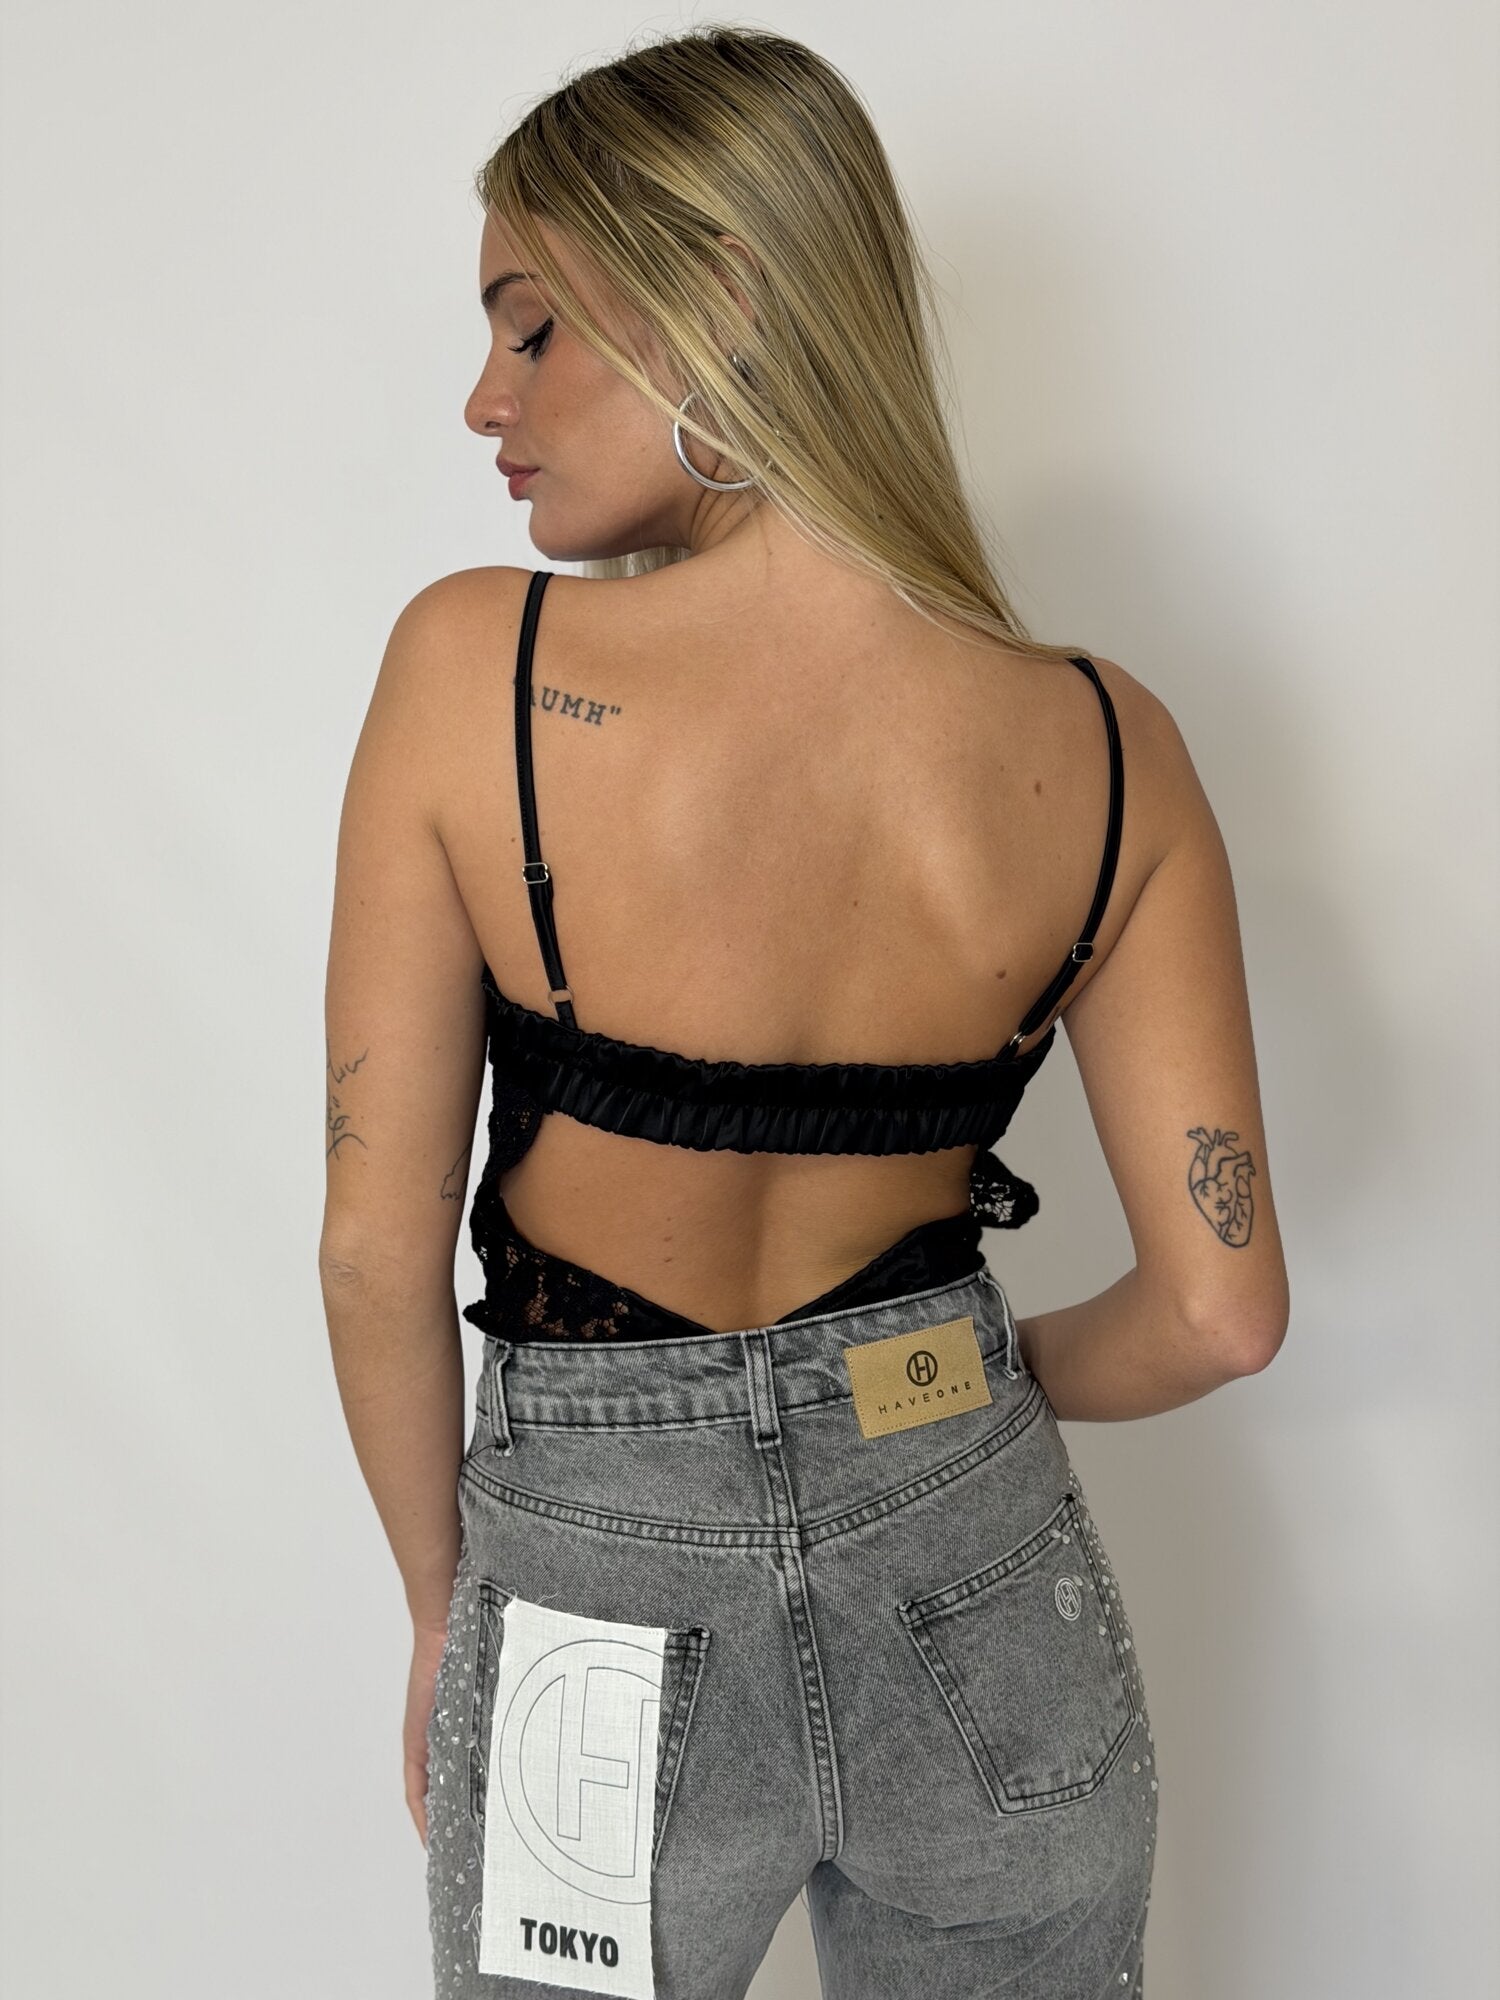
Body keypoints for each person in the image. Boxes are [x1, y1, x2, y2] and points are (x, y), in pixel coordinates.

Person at [320, 25, 1289, 1999]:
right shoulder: (1110, 746)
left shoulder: (472, 671)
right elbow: (1221, 1311)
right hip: (978, 1549)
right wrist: (945, 1390)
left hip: (592, 1581)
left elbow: (369, 1252)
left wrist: (446, 1608)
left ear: (728, 300)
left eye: (531, 327)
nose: (484, 398)